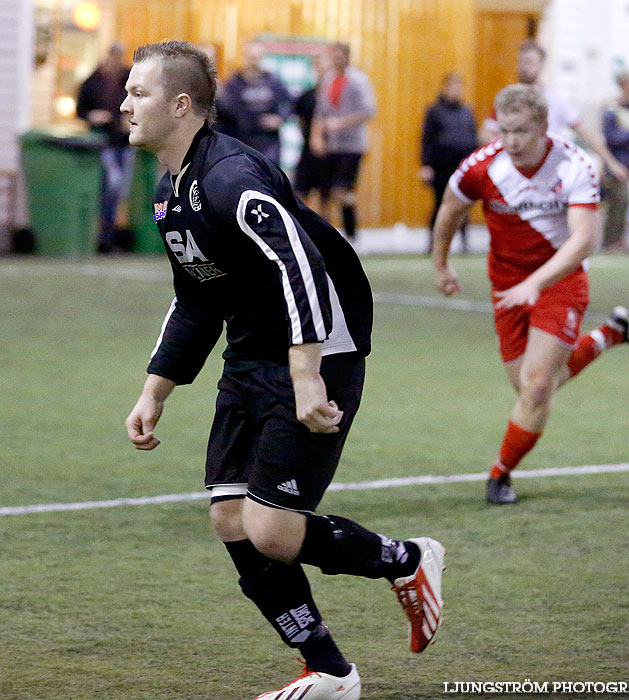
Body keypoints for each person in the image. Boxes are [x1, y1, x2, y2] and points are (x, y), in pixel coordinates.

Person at [122, 40, 445, 700]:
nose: (124, 103)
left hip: (321, 351)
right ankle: (329, 670)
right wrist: (155, 390)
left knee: (271, 529)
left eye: (139, 92)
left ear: (182, 106)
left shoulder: (231, 180)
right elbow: (197, 296)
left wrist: (307, 375)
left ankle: (405, 560)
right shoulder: (169, 194)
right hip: (251, 350)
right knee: (230, 518)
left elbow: (303, 264)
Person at [432, 84, 629, 505]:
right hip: (506, 284)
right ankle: (611, 335)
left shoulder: (574, 165)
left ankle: (499, 475)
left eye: (522, 131)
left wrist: (537, 282)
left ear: (545, 127)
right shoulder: (482, 166)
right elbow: (451, 209)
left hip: (561, 281)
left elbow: (583, 241)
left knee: (537, 386)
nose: (511, 141)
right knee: (530, 387)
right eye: (504, 130)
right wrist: (440, 263)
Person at [481, 39, 629, 185]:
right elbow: (485, 134)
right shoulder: (507, 99)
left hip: (548, 176)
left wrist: (612, 164)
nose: (524, 67)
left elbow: (586, 133)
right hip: (515, 176)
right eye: (521, 62)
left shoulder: (555, 100)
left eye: (530, 62)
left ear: (541, 66)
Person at [309, 42, 376, 242]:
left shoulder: (358, 80)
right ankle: (325, 238)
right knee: (325, 192)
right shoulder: (328, 80)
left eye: (340, 55)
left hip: (352, 145)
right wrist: (317, 136)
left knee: (343, 190)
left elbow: (368, 111)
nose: (337, 59)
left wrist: (341, 123)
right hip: (332, 145)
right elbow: (320, 111)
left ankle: (352, 233)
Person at [76, 42, 134, 253]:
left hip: (125, 143)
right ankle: (105, 235)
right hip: (103, 142)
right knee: (113, 185)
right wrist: (93, 116)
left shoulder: (128, 79)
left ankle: (111, 235)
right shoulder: (93, 81)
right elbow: (81, 110)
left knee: (121, 191)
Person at [420, 72, 478, 253]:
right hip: (441, 166)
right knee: (439, 205)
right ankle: (434, 243)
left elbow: (473, 137)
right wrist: (426, 165)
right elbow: (426, 140)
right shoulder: (434, 111)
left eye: (458, 87)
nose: (455, 90)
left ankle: (464, 243)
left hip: (461, 166)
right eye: (452, 86)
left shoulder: (467, 111)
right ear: (444, 88)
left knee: (463, 206)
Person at [215, 41, 293, 165]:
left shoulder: (272, 81)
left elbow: (288, 103)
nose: (253, 61)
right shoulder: (234, 83)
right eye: (250, 57)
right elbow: (227, 111)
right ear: (244, 57)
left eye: (257, 57)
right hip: (242, 141)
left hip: (268, 142)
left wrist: (280, 118)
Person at [600, 71, 629, 251]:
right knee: (618, 202)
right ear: (624, 83)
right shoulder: (612, 108)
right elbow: (610, 137)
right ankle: (610, 242)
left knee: (622, 204)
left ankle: (616, 241)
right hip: (615, 165)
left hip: (628, 165)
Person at [293, 52, 330, 210]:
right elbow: (299, 122)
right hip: (308, 152)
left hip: (330, 154)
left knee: (326, 199)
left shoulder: (335, 98)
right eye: (320, 67)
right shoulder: (306, 97)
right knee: (299, 194)